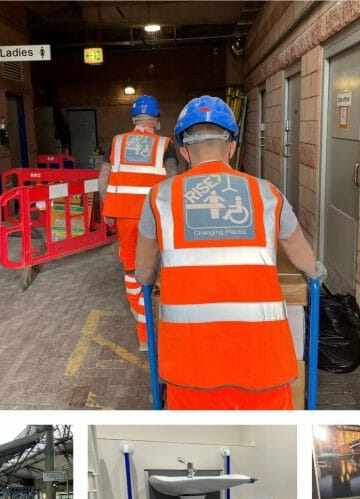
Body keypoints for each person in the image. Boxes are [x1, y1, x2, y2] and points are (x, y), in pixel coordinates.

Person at [134, 95, 325, 410]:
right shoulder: (267, 193)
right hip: (263, 361)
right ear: (232, 147)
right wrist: (316, 274)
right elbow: (300, 251)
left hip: (190, 364)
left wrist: (149, 278)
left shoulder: (160, 197)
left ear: (183, 150)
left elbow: (143, 269)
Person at [98, 95, 178, 352]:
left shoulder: (117, 142)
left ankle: (145, 335)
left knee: (133, 270)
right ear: (156, 121)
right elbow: (173, 179)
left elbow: (104, 177)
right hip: (154, 216)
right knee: (162, 265)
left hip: (124, 215)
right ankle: (167, 326)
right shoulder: (165, 144)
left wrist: (107, 206)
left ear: (134, 119)